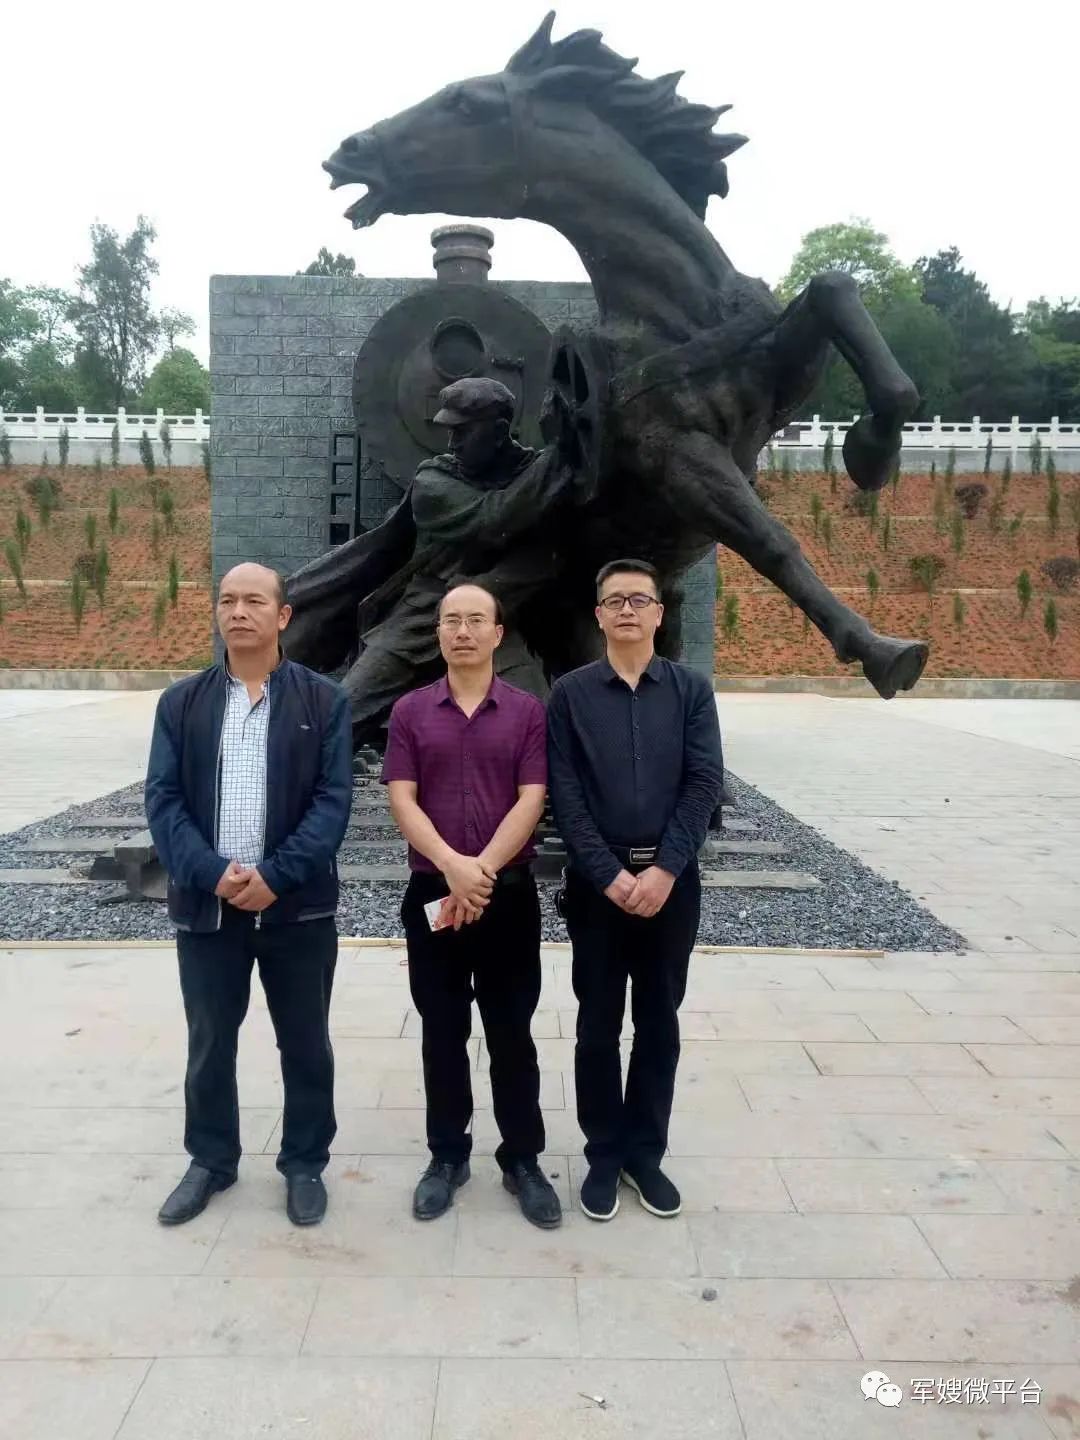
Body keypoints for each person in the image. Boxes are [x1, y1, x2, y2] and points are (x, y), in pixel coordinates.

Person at [146, 562, 353, 1228]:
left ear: (282, 616)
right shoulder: (182, 703)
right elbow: (163, 801)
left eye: (254, 601)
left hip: (297, 909)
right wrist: (211, 872)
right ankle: (211, 1160)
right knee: (210, 1041)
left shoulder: (323, 701)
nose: (238, 611)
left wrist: (276, 876)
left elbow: (332, 803)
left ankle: (305, 1162)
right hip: (208, 909)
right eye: (228, 600)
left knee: (306, 1041)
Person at [547, 558, 724, 1222]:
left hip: (671, 887)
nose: (627, 609)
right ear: (598, 615)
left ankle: (645, 1155)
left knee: (658, 1021)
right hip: (598, 888)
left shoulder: (690, 691)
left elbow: (704, 783)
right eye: (615, 600)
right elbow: (565, 795)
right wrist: (609, 873)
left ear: (658, 613)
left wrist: (666, 869)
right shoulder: (570, 695)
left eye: (639, 599)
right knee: (597, 1023)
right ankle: (603, 1153)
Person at [382, 582, 562, 1228]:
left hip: (505, 898)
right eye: (451, 620)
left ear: (497, 633)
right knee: (442, 1030)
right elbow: (401, 798)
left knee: (511, 1031)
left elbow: (532, 797)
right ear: (437, 633)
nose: (462, 631)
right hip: (433, 894)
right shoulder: (410, 712)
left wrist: (478, 872)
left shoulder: (526, 712)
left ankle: (522, 1159)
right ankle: (447, 1156)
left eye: (475, 620)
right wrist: (453, 869)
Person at [284, 376, 583, 744]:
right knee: (343, 715)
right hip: (425, 613)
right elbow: (495, 519)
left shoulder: (535, 473)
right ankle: (293, 772)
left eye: (463, 431)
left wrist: (570, 444)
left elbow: (545, 556)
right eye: (449, 431)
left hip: (498, 616)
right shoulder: (434, 480)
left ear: (498, 431)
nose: (453, 442)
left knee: (540, 725)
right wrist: (560, 455)